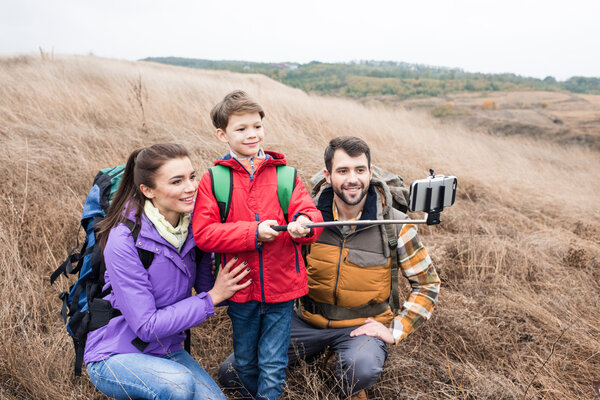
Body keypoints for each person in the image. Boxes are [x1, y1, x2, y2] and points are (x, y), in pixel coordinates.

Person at [219, 136, 441, 400]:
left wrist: (395, 329)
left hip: (361, 327)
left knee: (361, 370)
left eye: (360, 170)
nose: (352, 179)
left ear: (370, 172)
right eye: (343, 171)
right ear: (328, 175)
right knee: (231, 372)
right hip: (305, 321)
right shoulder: (305, 218)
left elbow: (427, 284)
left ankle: (346, 371)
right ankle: (312, 353)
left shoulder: (395, 224)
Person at [85, 143, 251, 400]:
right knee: (179, 385)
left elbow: (209, 286)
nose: (191, 187)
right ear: (147, 190)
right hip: (115, 354)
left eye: (192, 177)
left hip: (167, 349)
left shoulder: (195, 228)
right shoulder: (124, 239)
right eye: (177, 182)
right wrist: (213, 297)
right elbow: (147, 326)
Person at [192, 90, 324, 400]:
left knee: (274, 361)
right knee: (246, 361)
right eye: (241, 129)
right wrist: (253, 233)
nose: (252, 134)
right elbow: (205, 234)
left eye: (257, 126)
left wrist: (303, 224)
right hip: (240, 288)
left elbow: (311, 216)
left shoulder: (286, 176)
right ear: (222, 135)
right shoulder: (214, 180)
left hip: (282, 288)